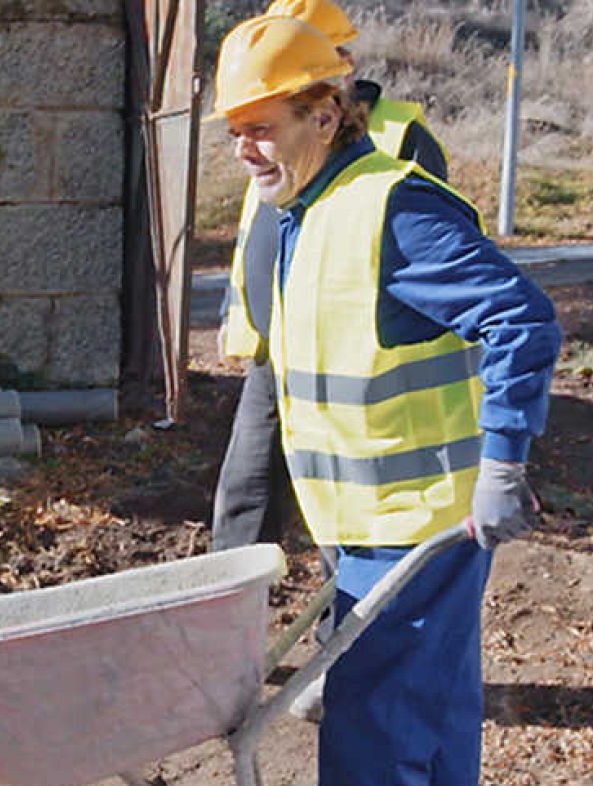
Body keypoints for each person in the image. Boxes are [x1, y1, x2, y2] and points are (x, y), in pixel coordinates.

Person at [212, 14, 562, 786]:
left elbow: (521, 318)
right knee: (433, 721)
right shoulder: (305, 206)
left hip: (416, 531)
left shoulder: (390, 209)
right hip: (378, 529)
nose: (245, 149)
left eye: (261, 126)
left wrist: (505, 465)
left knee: (370, 743)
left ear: (324, 114)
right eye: (234, 131)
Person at [212, 0, 450, 554]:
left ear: (340, 63)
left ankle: (342, 612)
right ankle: (225, 621)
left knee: (343, 511)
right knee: (245, 494)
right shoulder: (272, 124)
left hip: (350, 364)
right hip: (277, 353)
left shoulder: (398, 138)